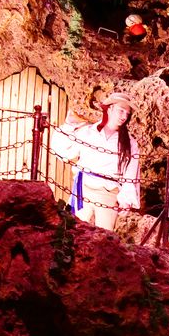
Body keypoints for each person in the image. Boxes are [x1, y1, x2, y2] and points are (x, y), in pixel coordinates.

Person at [52, 91, 141, 231]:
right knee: (71, 232)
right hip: (83, 188)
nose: (124, 116)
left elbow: (130, 174)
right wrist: (69, 125)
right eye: (121, 110)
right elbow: (63, 151)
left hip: (108, 193)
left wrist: (126, 200)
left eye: (127, 113)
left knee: (104, 239)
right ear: (110, 108)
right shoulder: (88, 132)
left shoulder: (130, 144)